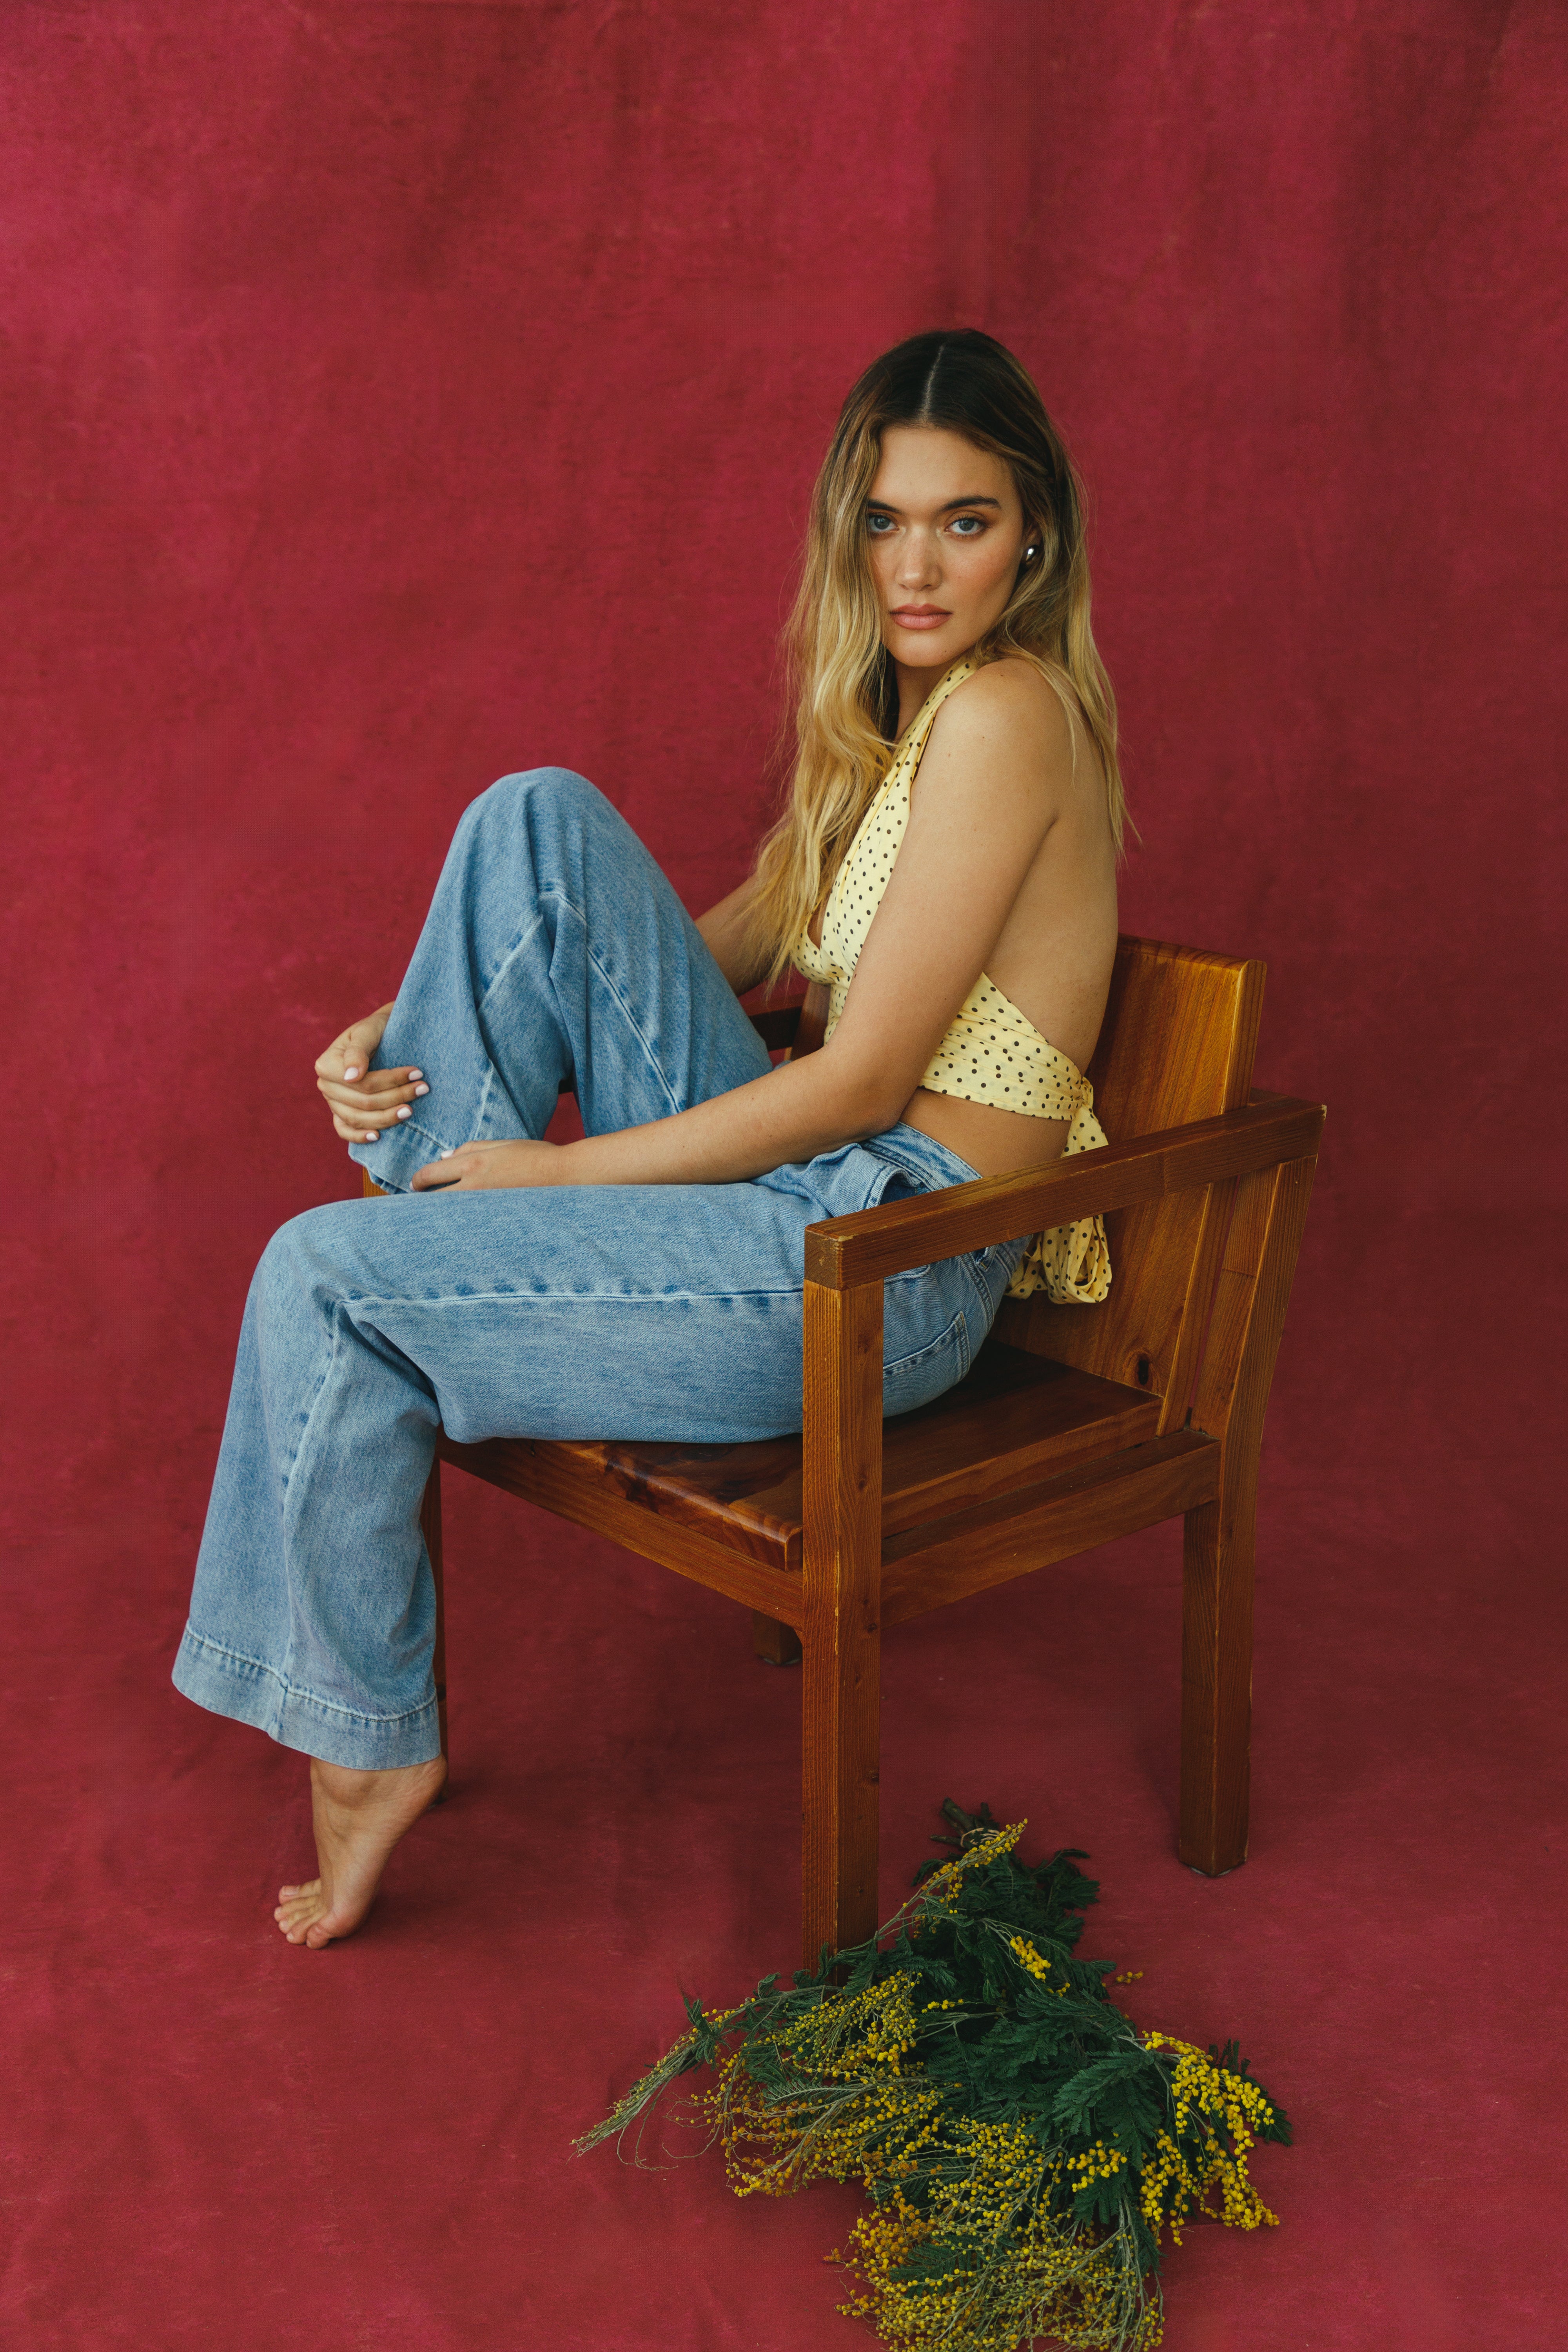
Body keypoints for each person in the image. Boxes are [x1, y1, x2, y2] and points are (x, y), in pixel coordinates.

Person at [172, 328, 1128, 1950]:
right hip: (810, 1205)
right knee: (532, 819)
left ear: (1033, 535)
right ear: (846, 532)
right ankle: (419, 1240)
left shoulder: (1011, 715)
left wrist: (553, 1172)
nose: (917, 564)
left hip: (891, 1265)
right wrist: (409, 1037)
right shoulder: (910, 719)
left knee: (318, 1275)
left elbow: (857, 1084)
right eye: (885, 522)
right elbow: (747, 929)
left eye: (964, 522)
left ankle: (363, 1718)